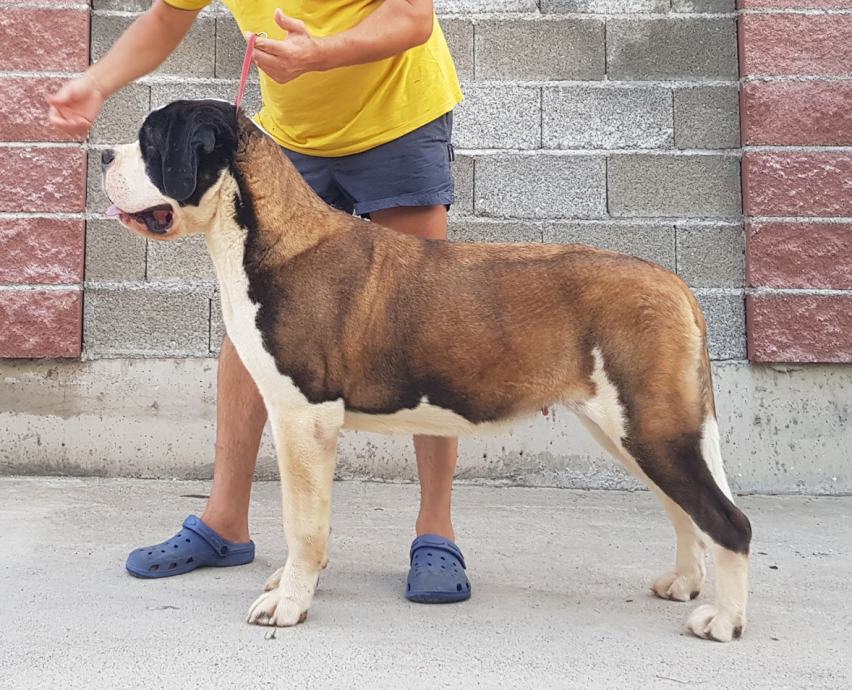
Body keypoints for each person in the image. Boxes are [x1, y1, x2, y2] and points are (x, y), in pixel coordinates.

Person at [48, 0, 470, 604]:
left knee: (420, 325)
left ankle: (436, 531)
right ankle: (225, 522)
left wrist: (319, 54)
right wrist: (96, 82)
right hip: (292, 139)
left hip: (397, 121)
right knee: (254, 323)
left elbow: (411, 18)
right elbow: (166, 18)